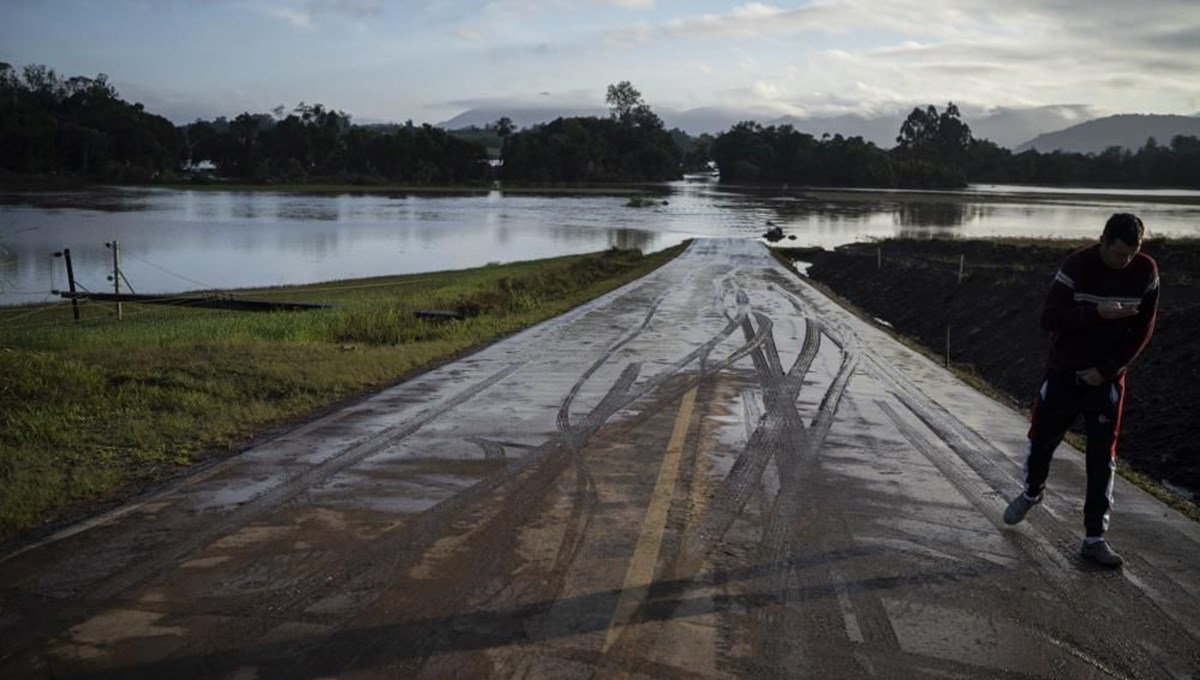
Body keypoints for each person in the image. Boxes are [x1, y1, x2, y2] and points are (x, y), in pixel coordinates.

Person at [1003, 212, 1159, 568]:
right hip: (1063, 373)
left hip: (1106, 380)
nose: (1125, 262)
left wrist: (1106, 371)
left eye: (1131, 255)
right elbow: (1049, 318)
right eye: (1118, 254)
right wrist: (1095, 314)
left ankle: (1094, 538)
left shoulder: (1145, 272)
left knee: (1102, 457)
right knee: (1042, 441)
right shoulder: (1077, 265)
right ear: (1102, 241)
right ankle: (1032, 492)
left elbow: (1143, 330)